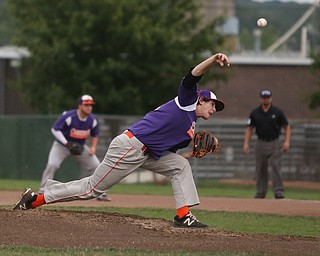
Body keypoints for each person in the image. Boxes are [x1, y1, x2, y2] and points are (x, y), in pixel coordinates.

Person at [13, 53, 231, 228]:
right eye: (212, 104)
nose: (214, 109)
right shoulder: (187, 101)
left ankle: (183, 216)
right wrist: (212, 60)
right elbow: (192, 75)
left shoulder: (189, 129)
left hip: (145, 153)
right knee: (92, 189)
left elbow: (165, 156)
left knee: (180, 166)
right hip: (130, 146)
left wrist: (191, 153)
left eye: (216, 107)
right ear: (200, 100)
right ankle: (35, 199)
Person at [38, 94, 110, 201]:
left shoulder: (92, 120)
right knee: (52, 165)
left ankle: (100, 193)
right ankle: (42, 191)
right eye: (86, 105)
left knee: (96, 165)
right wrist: (66, 143)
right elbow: (55, 129)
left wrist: (93, 148)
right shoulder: (70, 116)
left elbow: (95, 135)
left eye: (90, 105)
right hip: (61, 146)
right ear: (80, 106)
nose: (89, 107)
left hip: (80, 147)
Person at [243, 89, 291, 199]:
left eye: (268, 97)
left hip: (274, 142)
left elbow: (287, 126)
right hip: (261, 142)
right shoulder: (255, 113)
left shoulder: (277, 112)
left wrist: (287, 141)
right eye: (264, 98)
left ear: (271, 98)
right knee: (260, 168)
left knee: (276, 167)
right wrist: (246, 143)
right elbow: (249, 129)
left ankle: (278, 191)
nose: (266, 100)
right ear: (261, 99)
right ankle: (261, 191)